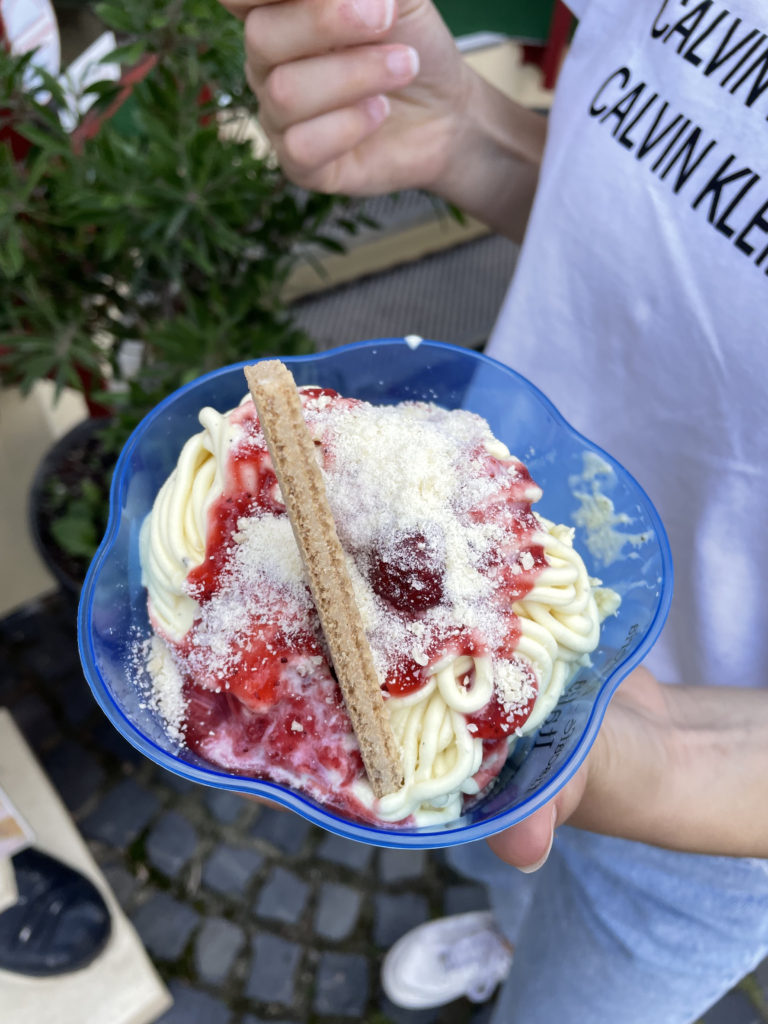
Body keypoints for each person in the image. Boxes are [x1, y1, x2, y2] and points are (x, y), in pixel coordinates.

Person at [218, 0, 768, 1019]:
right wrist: (469, 131)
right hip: (483, 531)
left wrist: (675, 757)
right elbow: (684, 218)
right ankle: (504, 926)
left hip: (718, 790)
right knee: (494, 861)